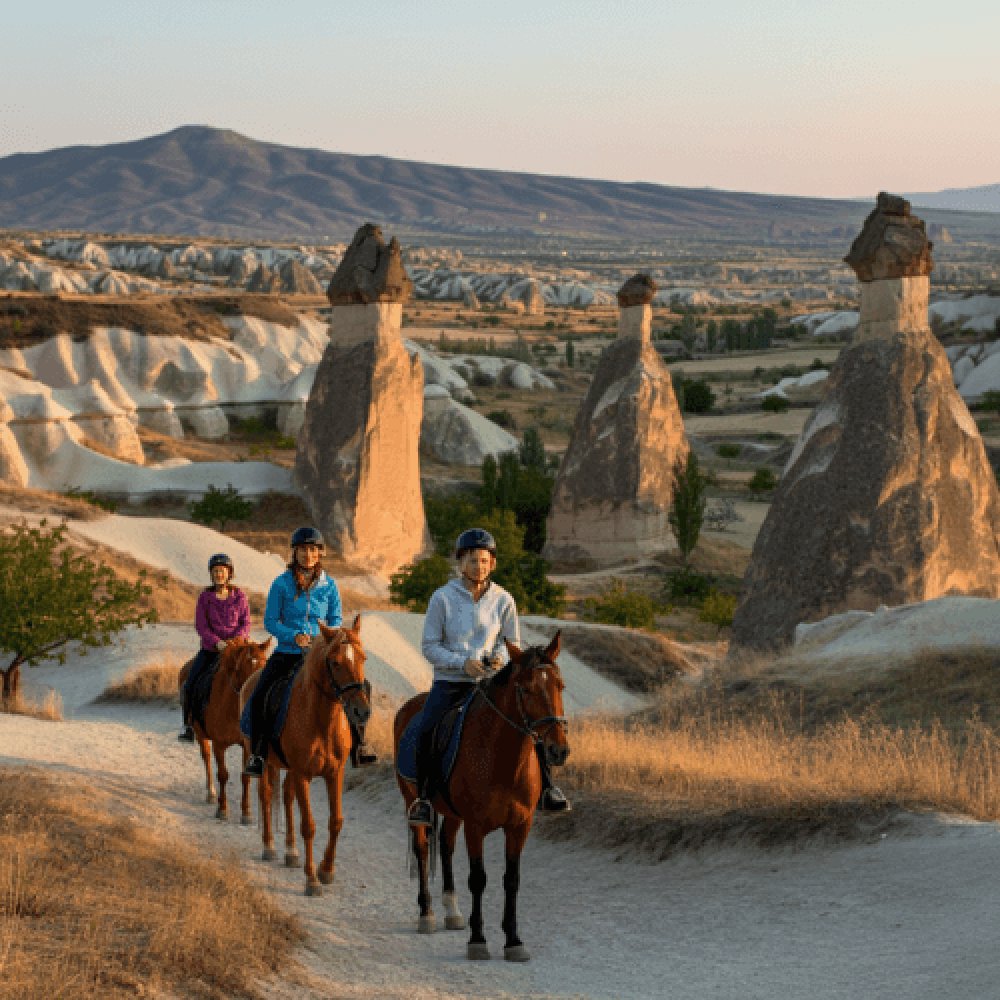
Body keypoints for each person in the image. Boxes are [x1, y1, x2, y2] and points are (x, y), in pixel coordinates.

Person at [407, 528, 570, 828]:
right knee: (428, 728)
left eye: (484, 561)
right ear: (460, 562)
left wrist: (499, 658)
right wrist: (462, 663)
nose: (478, 566)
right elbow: (430, 646)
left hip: (492, 683)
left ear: (492, 564)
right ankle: (425, 800)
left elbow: (512, 643)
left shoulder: (504, 600)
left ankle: (547, 788)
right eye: (471, 560)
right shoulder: (441, 598)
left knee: (530, 723)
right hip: (451, 682)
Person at [243, 526, 376, 777]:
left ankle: (360, 745)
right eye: (303, 549)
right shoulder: (281, 584)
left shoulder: (330, 585)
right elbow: (271, 621)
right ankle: (259, 754)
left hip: (322, 653)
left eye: (313, 550)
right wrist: (292, 635)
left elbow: (335, 618)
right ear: (295, 553)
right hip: (287, 651)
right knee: (261, 694)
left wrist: (323, 638)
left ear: (320, 553)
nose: (308, 554)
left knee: (361, 686)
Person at [178, 553, 251, 742]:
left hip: (236, 650)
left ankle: (254, 724)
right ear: (211, 574)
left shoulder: (240, 596)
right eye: (216, 571)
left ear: (229, 574)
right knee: (189, 683)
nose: (219, 574)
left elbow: (246, 622)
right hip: (211, 650)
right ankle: (188, 725)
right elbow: (201, 626)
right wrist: (217, 642)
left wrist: (237, 640)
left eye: (222, 571)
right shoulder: (205, 597)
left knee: (254, 678)